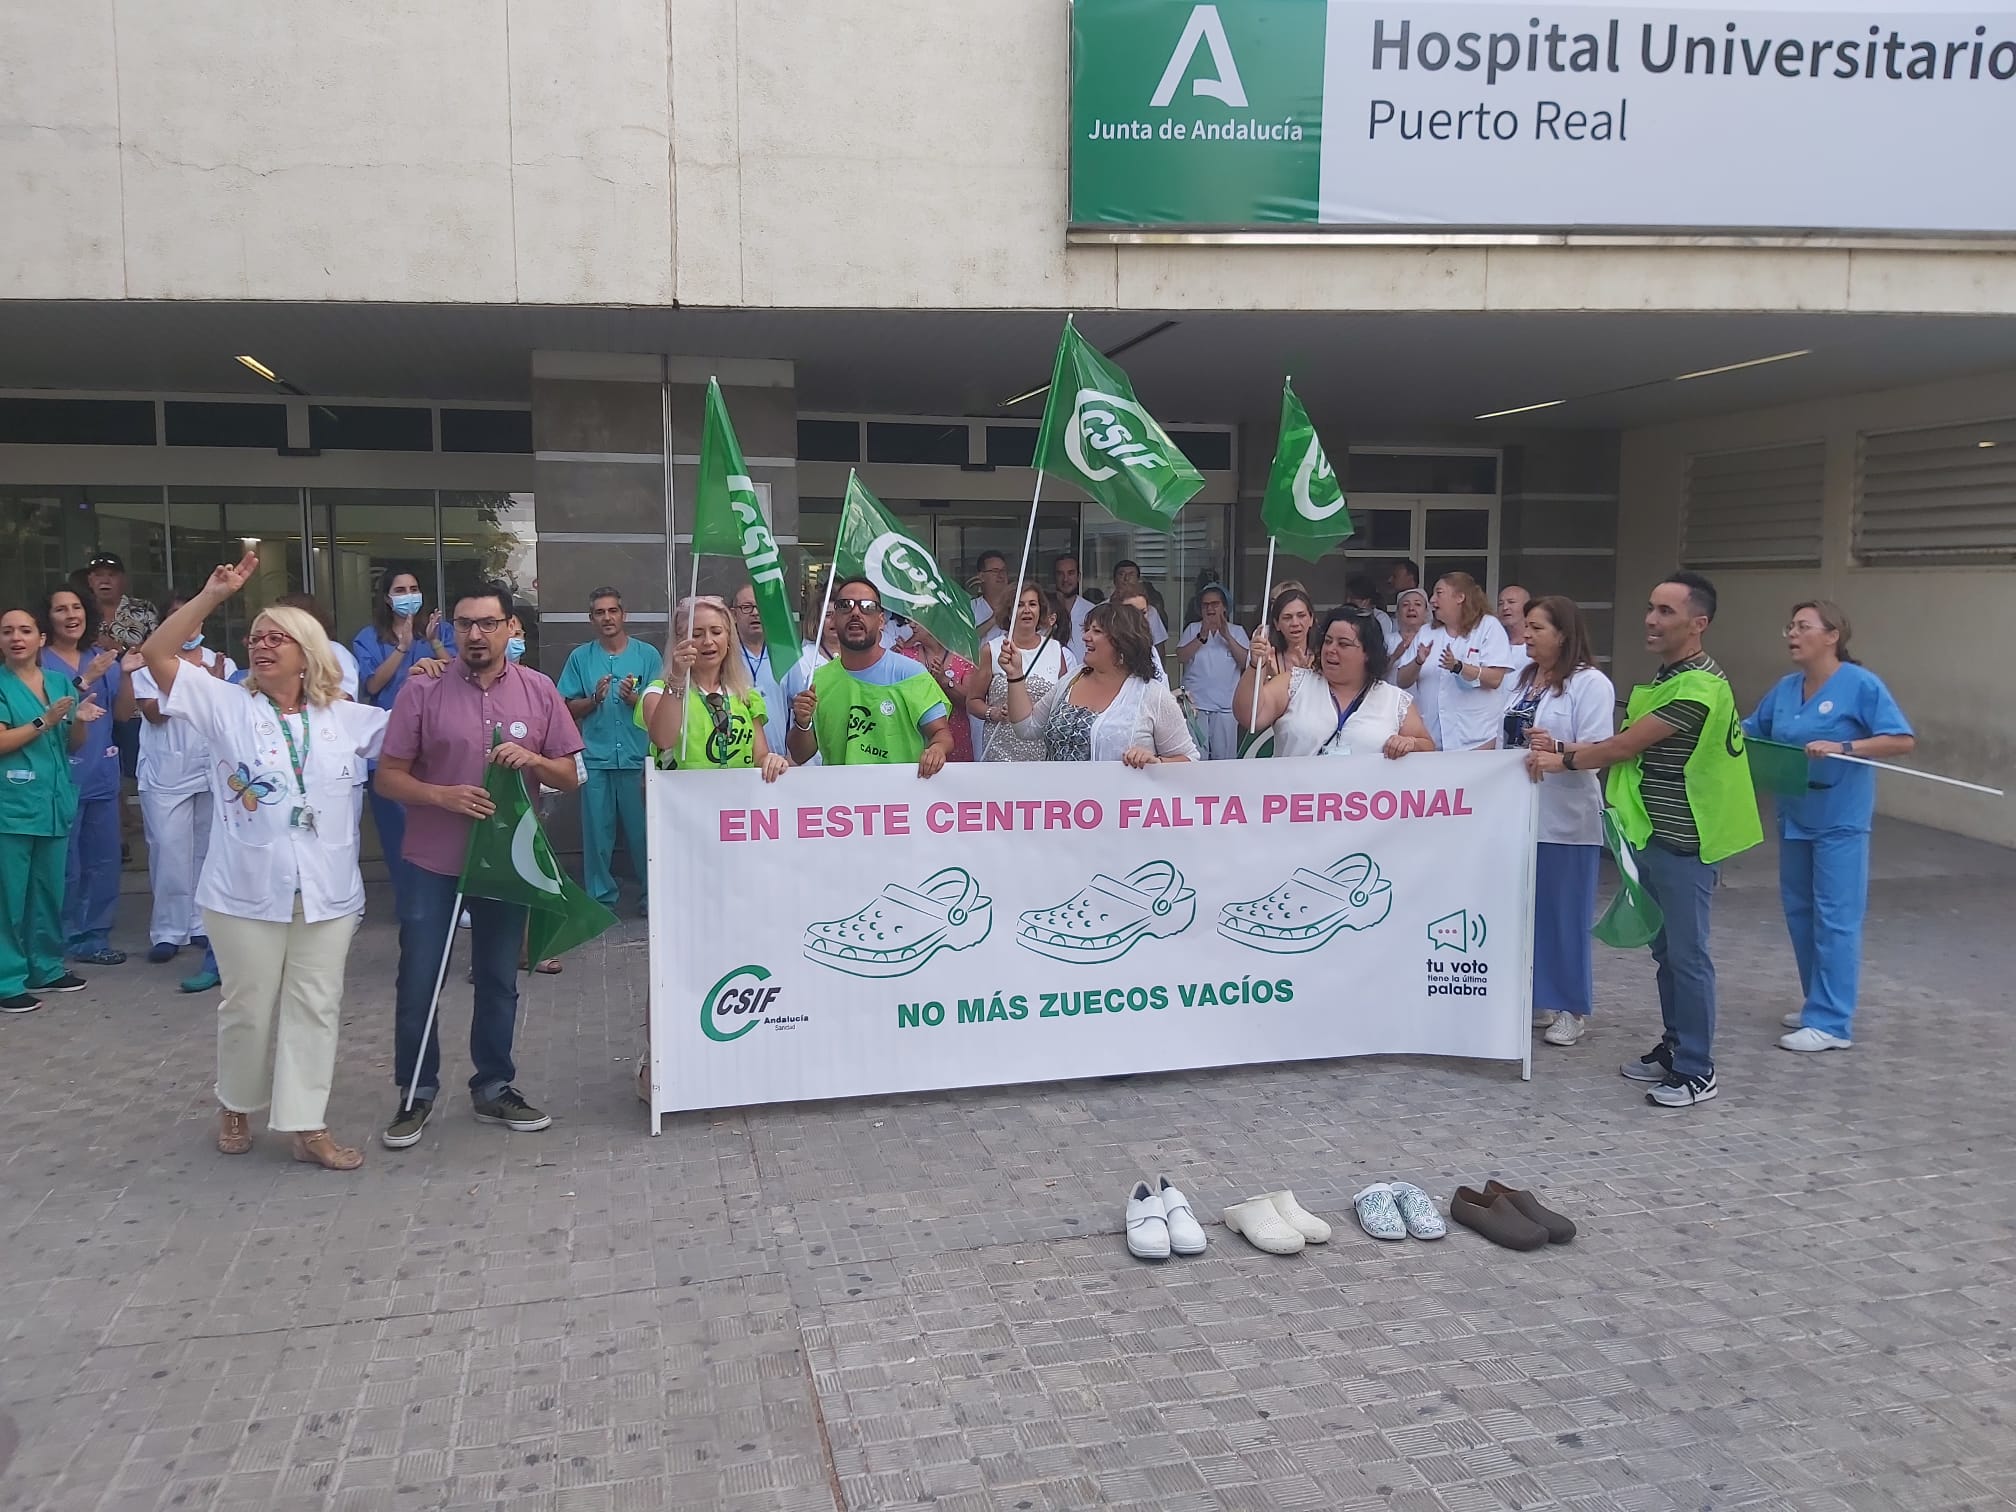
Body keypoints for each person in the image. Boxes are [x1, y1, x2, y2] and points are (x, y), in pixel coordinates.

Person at [139, 555, 391, 1168]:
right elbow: (156, 655)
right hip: (244, 891)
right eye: (256, 637)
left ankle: (306, 1124)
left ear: (308, 652)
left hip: (327, 893)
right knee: (247, 1005)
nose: (264, 645)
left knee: (316, 1004)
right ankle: (236, 1100)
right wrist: (211, 594)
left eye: (279, 637)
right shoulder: (226, 705)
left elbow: (421, 741)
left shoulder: (348, 717)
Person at [1527, 571, 1761, 1109]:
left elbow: (1621, 748)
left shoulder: (1698, 687)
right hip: (1651, 832)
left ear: (1698, 624)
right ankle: (1675, 1046)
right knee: (1666, 950)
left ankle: (1698, 1069)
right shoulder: (1667, 678)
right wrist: (1565, 745)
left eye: (1666, 612)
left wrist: (1560, 758)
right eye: (1651, 608)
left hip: (1688, 839)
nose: (1651, 620)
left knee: (1688, 954)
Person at [375, 585, 584, 1149]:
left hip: (507, 863)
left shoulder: (539, 690)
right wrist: (441, 797)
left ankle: (494, 1086)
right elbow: (388, 776)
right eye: (464, 624)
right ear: (452, 632)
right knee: (420, 977)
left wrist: (536, 760)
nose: (475, 634)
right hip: (433, 859)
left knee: (497, 979)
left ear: (509, 628)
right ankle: (415, 1093)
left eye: (487, 623)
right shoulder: (421, 693)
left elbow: (570, 775)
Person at [1742, 599, 1915, 1054]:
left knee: (1836, 918)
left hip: (1840, 819)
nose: (1793, 635)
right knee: (1800, 913)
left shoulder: (1861, 685)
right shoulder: (1784, 688)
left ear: (1832, 634)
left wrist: (1845, 745)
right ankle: (1817, 1001)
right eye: (1790, 627)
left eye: (1803, 626)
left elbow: (1900, 740)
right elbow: (1753, 730)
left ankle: (1833, 1022)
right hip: (1795, 814)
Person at [1500, 597, 1615, 1049]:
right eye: (1525, 627)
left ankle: (1571, 1007)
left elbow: (1599, 750)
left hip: (1566, 819)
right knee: (1527, 914)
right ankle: (1537, 995)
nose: (1525, 635)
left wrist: (1559, 750)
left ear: (1563, 634)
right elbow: (1500, 738)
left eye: (1536, 628)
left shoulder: (1590, 684)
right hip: (1518, 814)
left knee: (1564, 914)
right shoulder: (1525, 680)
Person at [128, 594, 237, 964]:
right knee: (169, 852)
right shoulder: (146, 664)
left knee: (207, 851)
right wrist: (192, 687)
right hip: (166, 773)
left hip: (210, 771)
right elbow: (154, 714)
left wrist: (214, 685)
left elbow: (231, 714)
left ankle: (201, 924)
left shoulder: (219, 662)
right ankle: (168, 931)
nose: (189, 628)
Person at [0, 607, 93, 1014]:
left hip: (53, 803)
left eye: (24, 630)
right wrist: (45, 720)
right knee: (9, 896)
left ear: (41, 639)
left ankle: (47, 966)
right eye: (7, 632)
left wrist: (80, 720)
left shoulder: (57, 682)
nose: (16, 637)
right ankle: (6, 979)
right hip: (12, 807)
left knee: (48, 889)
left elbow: (71, 745)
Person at [41, 586, 129, 967]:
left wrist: (123, 674)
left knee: (103, 859)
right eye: (60, 609)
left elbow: (122, 714)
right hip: (58, 776)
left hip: (101, 774)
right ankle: (60, 937)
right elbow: (39, 715)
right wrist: (87, 679)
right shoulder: (39, 663)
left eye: (76, 607)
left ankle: (95, 935)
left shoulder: (100, 658)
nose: (70, 614)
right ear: (47, 617)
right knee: (63, 863)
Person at [557, 588, 660, 914]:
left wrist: (634, 699)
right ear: (592, 619)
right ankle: (601, 899)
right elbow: (567, 708)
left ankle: (653, 897)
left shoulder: (648, 656)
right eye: (599, 613)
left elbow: (666, 708)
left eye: (612, 611)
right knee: (597, 836)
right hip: (597, 758)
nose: (607, 618)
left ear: (623, 614)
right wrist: (594, 699)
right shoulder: (580, 658)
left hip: (637, 759)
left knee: (645, 835)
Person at [353, 570, 451, 911]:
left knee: (440, 829)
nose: (408, 595)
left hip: (437, 744)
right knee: (397, 834)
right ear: (387, 598)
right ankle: (411, 904)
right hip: (389, 748)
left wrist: (434, 642)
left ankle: (445, 901)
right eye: (400, 590)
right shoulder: (369, 638)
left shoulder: (440, 632)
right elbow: (372, 686)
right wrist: (403, 648)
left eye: (414, 588)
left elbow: (459, 674)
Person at [784, 579, 953, 774]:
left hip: (901, 798)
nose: (855, 613)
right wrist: (802, 723)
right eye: (845, 606)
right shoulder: (818, 681)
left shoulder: (911, 674)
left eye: (867, 607)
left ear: (881, 620)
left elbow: (942, 734)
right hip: (841, 800)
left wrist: (937, 750)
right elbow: (799, 755)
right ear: (834, 618)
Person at [1003, 602, 1197, 766]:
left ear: (1123, 642)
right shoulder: (1072, 679)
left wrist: (1157, 762)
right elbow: (1026, 728)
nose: (1086, 637)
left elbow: (1190, 759)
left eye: (1096, 631)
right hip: (1060, 806)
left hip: (1118, 807)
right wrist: (1015, 675)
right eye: (1087, 629)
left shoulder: (1153, 695)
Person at [1234, 609, 1434, 760]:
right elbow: (1249, 716)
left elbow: (1428, 747)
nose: (1331, 649)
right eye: (1328, 641)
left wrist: (1410, 743)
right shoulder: (1294, 683)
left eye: (1343, 644)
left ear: (1368, 653)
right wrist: (1255, 665)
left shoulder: (1393, 699)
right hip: (1296, 809)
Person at [642, 595, 790, 779]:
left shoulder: (746, 694)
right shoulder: (657, 692)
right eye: (696, 634)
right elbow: (663, 739)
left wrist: (772, 761)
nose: (707, 641)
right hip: (681, 804)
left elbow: (759, 756)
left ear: (729, 637)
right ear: (680, 641)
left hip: (736, 802)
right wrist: (678, 677)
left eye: (716, 631)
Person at [1394, 573, 1517, 752]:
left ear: (1460, 597)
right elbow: (1402, 680)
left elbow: (1495, 679)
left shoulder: (1488, 626)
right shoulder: (1427, 632)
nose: (1432, 600)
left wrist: (1459, 667)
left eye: (1439, 593)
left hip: (1476, 741)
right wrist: (1418, 661)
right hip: (1433, 741)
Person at [971, 582, 1078, 763]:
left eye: (1032, 604)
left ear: (1040, 610)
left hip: (1042, 752)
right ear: (1009, 611)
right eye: (1020, 605)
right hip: (1000, 751)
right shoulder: (993, 649)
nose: (1027, 610)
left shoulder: (1055, 649)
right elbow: (972, 701)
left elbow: (1065, 703)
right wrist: (993, 712)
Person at [1176, 585, 1251, 760]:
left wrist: (1227, 637)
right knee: (1196, 758)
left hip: (1226, 707)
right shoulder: (1193, 629)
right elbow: (1181, 656)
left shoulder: (1237, 631)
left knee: (1224, 760)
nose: (1210, 608)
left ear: (1224, 607)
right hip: (1196, 706)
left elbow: (1245, 662)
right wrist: (1202, 636)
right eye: (1205, 605)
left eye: (1215, 604)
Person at [892, 617, 977, 762]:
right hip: (915, 737)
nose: (911, 625)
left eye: (917, 619)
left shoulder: (964, 657)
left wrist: (945, 682)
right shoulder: (904, 657)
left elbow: (970, 702)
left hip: (957, 738)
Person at [727, 585, 787, 725]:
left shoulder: (784, 655)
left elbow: (798, 705)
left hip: (779, 746)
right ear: (734, 615)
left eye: (761, 606)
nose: (755, 612)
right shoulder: (726, 656)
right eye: (747, 607)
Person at [1111, 588, 1170, 684]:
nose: (1139, 618)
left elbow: (1161, 685)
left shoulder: (1150, 650)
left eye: (1143, 612)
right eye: (1131, 613)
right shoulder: (1105, 647)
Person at [1263, 588, 1318, 679]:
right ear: (1277, 624)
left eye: (1301, 616)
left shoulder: (1322, 655)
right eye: (1287, 618)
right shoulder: (1268, 657)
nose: (1295, 623)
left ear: (1311, 619)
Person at [1052, 553, 1097, 657]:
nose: (1065, 579)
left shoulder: (1091, 611)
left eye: (1070, 573)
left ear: (1078, 577)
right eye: (1060, 574)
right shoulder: (1045, 610)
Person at [967, 549, 1013, 638]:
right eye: (995, 571)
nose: (1001, 575)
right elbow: (965, 641)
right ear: (981, 576)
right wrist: (994, 620)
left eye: (1003, 571)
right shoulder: (970, 608)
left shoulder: (1019, 605)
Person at [1345, 574, 1396, 645]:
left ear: (1366, 601)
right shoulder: (1345, 616)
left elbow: (1381, 645)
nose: (1348, 601)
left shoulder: (1381, 618)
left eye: (1352, 598)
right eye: (1347, 597)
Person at [1498, 584, 1534, 681]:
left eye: (1511, 602)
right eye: (1500, 603)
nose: (1505, 607)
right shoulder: (1494, 642)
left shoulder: (1537, 644)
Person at [1387, 586, 1430, 660]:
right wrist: (1395, 656)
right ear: (1397, 612)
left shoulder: (1434, 640)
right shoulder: (1386, 640)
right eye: (1405, 604)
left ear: (1426, 612)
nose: (1411, 608)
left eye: (1417, 604)